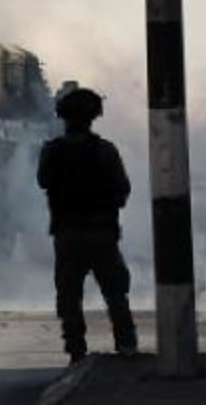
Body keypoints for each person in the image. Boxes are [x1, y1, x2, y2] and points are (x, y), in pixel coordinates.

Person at [37, 87, 138, 364]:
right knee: (115, 291)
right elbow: (123, 189)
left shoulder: (53, 151)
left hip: (68, 233)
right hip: (102, 233)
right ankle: (126, 343)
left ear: (63, 117)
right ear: (93, 117)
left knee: (69, 295)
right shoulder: (106, 151)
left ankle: (76, 349)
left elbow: (43, 181)